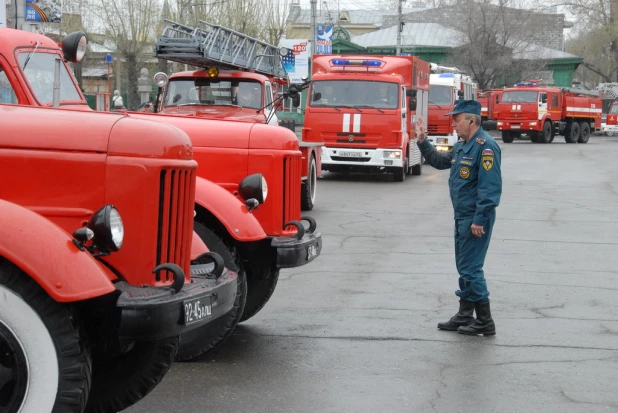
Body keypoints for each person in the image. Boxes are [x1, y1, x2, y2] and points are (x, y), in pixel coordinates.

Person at [415, 100, 502, 336]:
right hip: (462, 216)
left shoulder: (486, 148)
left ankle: (485, 320)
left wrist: (479, 220)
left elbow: (490, 189)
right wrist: (422, 141)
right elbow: (440, 162)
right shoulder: (463, 146)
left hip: (475, 218)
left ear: (472, 120)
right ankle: (465, 314)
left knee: (472, 269)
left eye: (457, 119)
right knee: (464, 267)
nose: (453, 124)